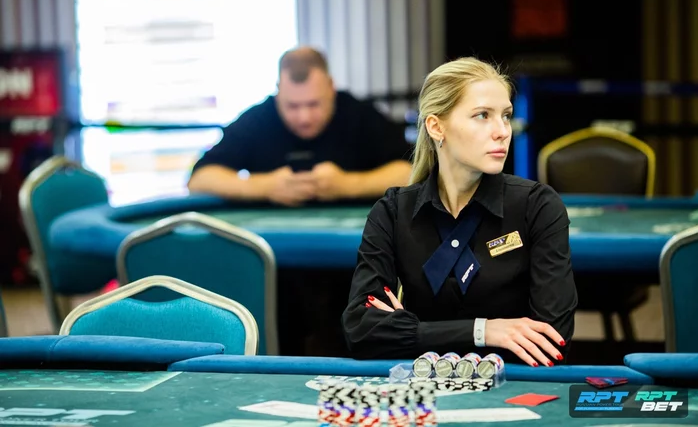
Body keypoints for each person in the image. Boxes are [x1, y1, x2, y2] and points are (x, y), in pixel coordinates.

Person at [341, 57, 578, 367]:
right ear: (436, 127)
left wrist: (412, 331)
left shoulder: (539, 206)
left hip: (513, 386)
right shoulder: (392, 211)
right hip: (422, 386)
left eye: (506, 116)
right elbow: (362, 332)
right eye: (482, 115)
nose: (502, 131)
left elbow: (550, 340)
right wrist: (485, 331)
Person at [188, 46, 412, 205]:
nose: (304, 117)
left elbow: (412, 172)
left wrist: (348, 185)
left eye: (314, 104)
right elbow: (200, 179)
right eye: (292, 106)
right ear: (278, 91)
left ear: (331, 87)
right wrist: (264, 187)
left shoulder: (359, 114)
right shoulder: (258, 119)